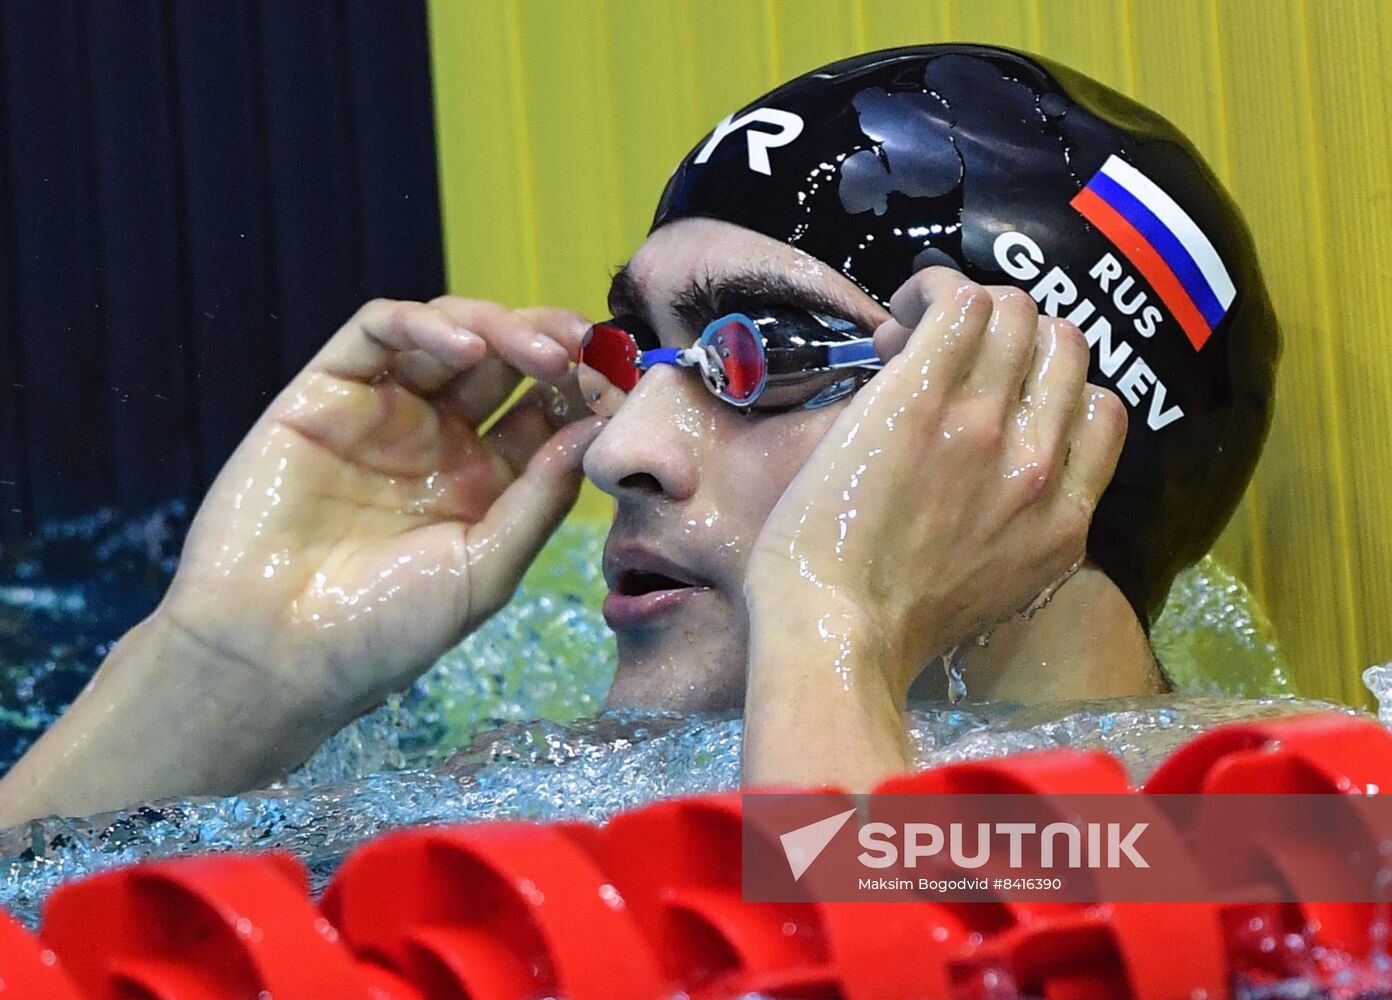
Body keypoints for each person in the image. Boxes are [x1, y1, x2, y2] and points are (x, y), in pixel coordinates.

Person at [0, 45, 1276, 826]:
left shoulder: (1266, 830)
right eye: (644, 352)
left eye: (762, 357)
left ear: (1030, 443)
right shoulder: (541, 779)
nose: (621, 449)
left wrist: (833, 623)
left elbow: (890, 955)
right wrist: (228, 668)